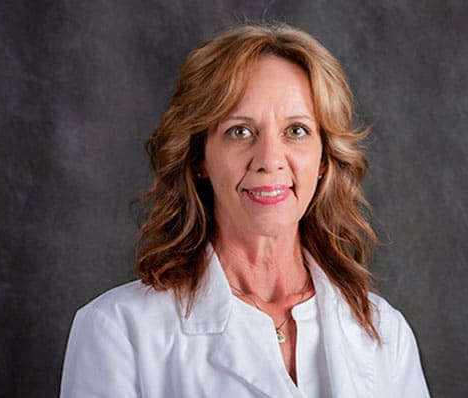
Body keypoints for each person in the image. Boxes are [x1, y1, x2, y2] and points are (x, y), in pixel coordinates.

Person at [60, 23, 429, 397]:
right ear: (200, 156)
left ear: (324, 157)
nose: (269, 160)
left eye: (297, 131)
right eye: (240, 131)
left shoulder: (384, 332)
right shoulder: (119, 330)